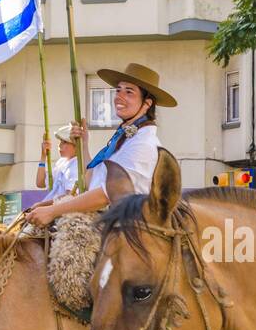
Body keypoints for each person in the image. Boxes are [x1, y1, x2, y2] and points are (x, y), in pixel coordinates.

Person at [24, 63, 175, 228]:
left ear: (147, 103)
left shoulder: (143, 143)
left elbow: (106, 195)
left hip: (125, 229)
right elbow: (89, 182)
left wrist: (52, 211)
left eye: (129, 92)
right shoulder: (124, 139)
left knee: (66, 246)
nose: (119, 96)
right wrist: (83, 145)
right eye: (118, 90)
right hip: (106, 220)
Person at [35, 125, 79, 201]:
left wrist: (41, 205)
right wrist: (43, 156)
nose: (59, 145)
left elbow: (70, 197)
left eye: (65, 142)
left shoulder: (77, 166)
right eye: (60, 141)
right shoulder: (61, 162)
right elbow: (40, 183)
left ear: (76, 146)